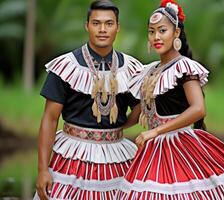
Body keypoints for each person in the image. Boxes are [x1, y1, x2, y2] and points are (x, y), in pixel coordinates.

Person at [117, 0, 224, 199]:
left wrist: (155, 131)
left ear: (176, 33)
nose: (156, 37)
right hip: (153, 149)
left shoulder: (185, 68)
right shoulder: (147, 71)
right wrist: (108, 130)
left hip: (180, 146)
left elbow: (198, 109)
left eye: (162, 30)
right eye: (151, 31)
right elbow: (138, 114)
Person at [34, 0, 143, 199]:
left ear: (118, 27)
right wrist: (42, 170)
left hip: (117, 155)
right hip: (73, 153)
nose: (102, 29)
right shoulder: (65, 67)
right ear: (87, 26)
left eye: (109, 24)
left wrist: (118, 128)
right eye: (96, 23)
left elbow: (140, 109)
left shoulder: (131, 68)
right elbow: (50, 119)